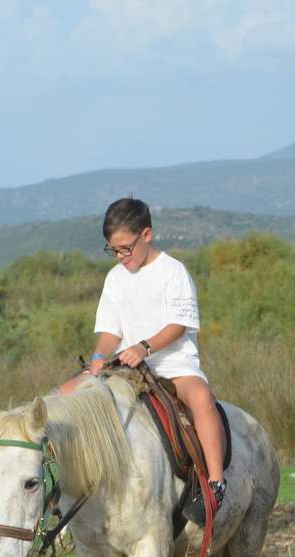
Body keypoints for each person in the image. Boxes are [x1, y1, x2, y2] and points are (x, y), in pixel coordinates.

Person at [58, 197, 226, 518]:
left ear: (146, 235)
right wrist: (98, 357)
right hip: (127, 368)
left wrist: (144, 347)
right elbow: (109, 330)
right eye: (114, 250)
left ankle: (215, 483)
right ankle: (62, 489)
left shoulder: (173, 271)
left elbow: (179, 325)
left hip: (173, 365)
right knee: (63, 395)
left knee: (202, 397)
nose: (121, 257)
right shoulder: (115, 278)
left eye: (126, 248)